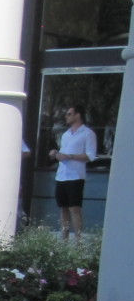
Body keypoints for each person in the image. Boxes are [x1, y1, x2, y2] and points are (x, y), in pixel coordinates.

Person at [49, 104, 98, 243]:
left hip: (75, 176)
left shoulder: (87, 133)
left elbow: (90, 156)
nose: (66, 116)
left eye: (69, 114)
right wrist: (56, 154)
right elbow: (63, 153)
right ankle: (64, 239)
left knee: (74, 208)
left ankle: (78, 240)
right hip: (62, 175)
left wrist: (70, 156)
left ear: (78, 115)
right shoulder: (65, 135)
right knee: (63, 207)